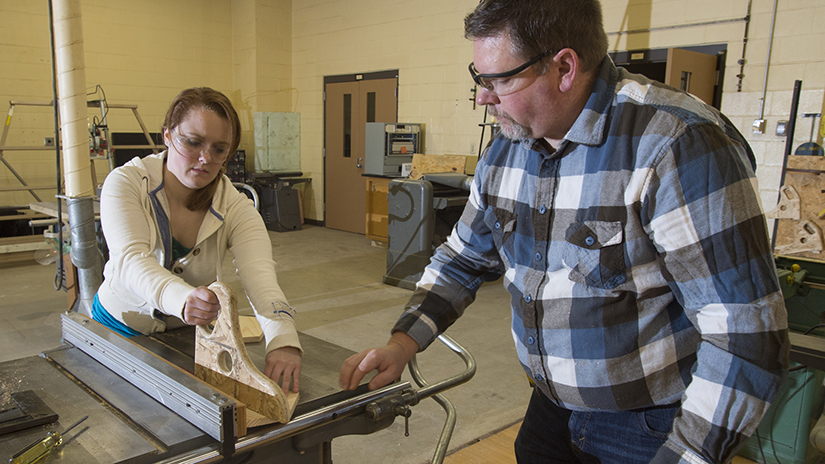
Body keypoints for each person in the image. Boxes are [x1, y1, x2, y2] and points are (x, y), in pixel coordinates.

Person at [340, 0, 790, 462]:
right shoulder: (508, 148)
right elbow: (463, 258)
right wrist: (402, 343)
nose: (483, 97)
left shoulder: (676, 145)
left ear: (564, 68)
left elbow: (744, 334)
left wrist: (690, 454)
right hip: (548, 409)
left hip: (648, 426)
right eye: (480, 78)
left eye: (500, 79)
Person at [95, 87, 301, 393]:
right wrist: (181, 298)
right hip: (118, 326)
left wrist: (283, 339)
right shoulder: (126, 183)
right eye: (192, 143)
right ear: (166, 135)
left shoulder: (236, 206)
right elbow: (131, 261)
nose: (205, 159)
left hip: (183, 338)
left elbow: (259, 274)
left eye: (219, 150)